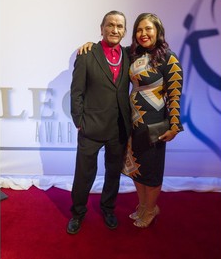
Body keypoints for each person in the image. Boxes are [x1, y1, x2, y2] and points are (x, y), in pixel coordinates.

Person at [78, 13, 184, 228]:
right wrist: (91, 44)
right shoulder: (132, 55)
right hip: (131, 123)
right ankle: (143, 205)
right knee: (137, 167)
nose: (143, 34)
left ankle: (151, 208)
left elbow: (175, 95)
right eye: (139, 30)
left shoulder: (168, 58)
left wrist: (174, 126)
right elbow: (108, 50)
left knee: (152, 170)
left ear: (158, 31)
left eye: (148, 29)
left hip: (155, 124)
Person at [67, 10, 132, 235]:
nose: (115, 30)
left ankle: (108, 209)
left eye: (120, 26)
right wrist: (79, 121)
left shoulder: (130, 55)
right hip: (91, 127)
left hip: (119, 128)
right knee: (84, 174)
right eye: (110, 25)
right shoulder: (87, 54)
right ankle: (77, 213)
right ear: (102, 28)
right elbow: (76, 93)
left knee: (113, 173)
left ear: (125, 31)